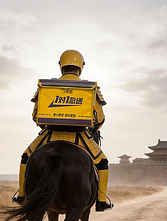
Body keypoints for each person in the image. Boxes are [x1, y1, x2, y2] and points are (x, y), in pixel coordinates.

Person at [14, 49, 113, 211]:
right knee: (102, 162)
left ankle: (22, 194)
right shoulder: (91, 88)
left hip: (49, 135)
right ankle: (102, 200)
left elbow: (35, 116)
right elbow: (100, 119)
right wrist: (93, 127)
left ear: (61, 66)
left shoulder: (45, 86)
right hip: (80, 136)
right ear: (81, 67)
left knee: (26, 157)